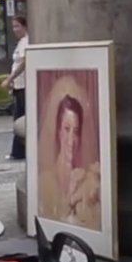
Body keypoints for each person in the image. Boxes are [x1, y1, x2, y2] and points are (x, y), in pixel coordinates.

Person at [43, 93, 101, 229]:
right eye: (66, 129)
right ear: (58, 131)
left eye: (76, 131)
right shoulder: (45, 181)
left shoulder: (87, 177)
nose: (71, 139)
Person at [1, 16, 28, 160]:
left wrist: (10, 79)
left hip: (24, 85)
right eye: (13, 26)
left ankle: (18, 151)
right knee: (20, 117)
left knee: (20, 118)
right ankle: (19, 150)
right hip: (19, 85)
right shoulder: (20, 43)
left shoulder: (25, 42)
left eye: (17, 26)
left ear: (25, 27)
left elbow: (24, 62)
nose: (15, 30)